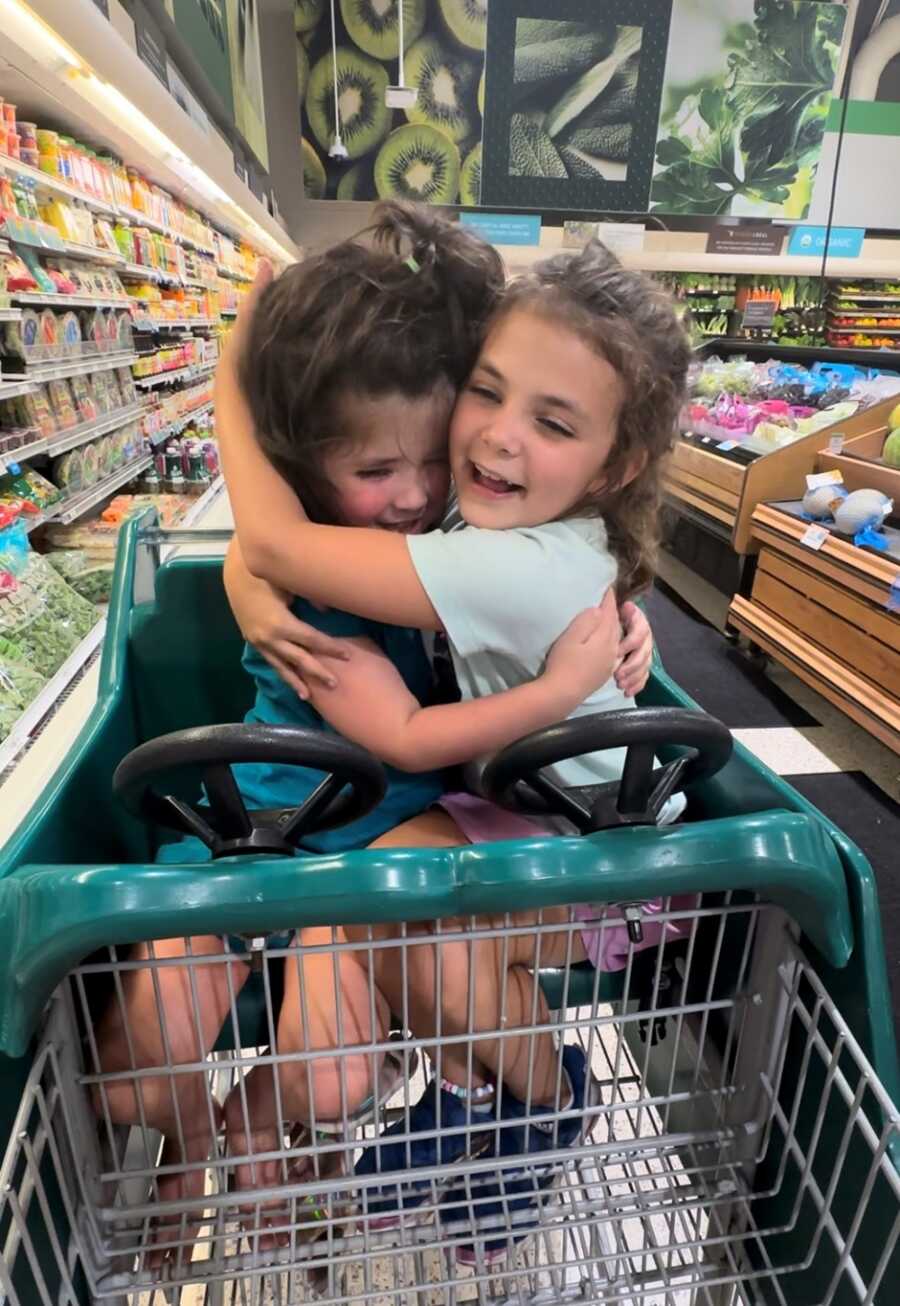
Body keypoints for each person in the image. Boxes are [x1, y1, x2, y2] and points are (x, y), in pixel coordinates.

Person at [93, 202, 647, 1264]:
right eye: (373, 471)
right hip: (251, 815)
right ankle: (217, 1141)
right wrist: (257, 586)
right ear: (309, 460)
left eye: (424, 460)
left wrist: (619, 617)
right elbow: (276, 553)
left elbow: (503, 611)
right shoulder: (309, 550)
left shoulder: (451, 533)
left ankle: (364, 1109)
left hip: (387, 828)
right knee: (137, 1073)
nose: (414, 496)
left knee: (331, 1073)